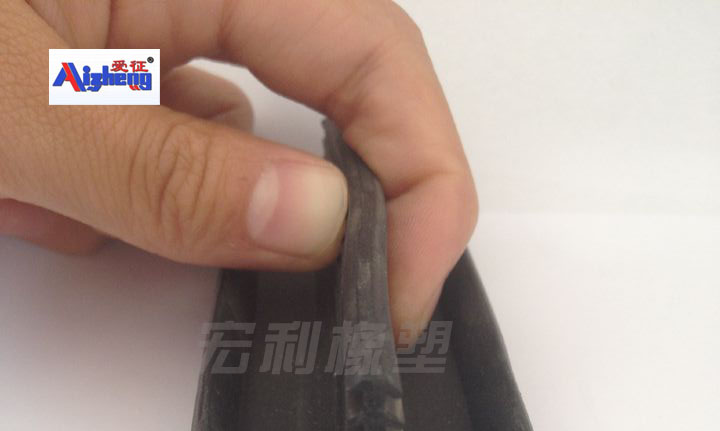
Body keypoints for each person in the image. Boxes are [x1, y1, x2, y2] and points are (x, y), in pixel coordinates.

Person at [0, 0, 478, 340]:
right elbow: (56, 82)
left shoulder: (81, 69)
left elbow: (62, 79)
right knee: (89, 77)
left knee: (87, 75)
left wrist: (38, 82)